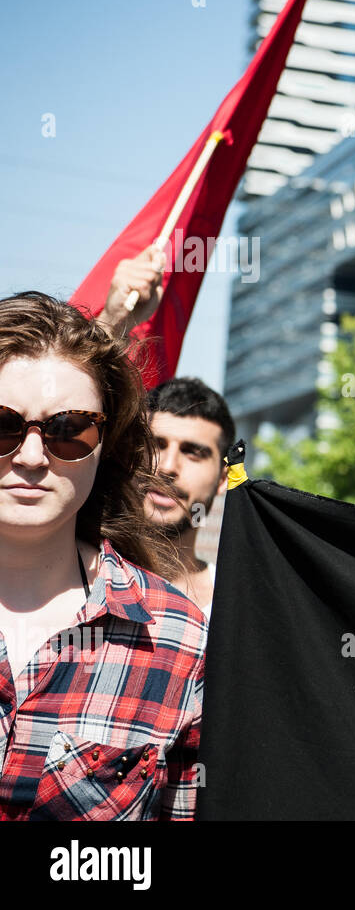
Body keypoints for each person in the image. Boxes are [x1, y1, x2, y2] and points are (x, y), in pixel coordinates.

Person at [0, 291, 205, 819]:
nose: (30, 455)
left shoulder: (180, 641)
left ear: (106, 445)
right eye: (2, 425)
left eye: (68, 431)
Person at [142, 377, 234, 618]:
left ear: (222, 480)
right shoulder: (75, 580)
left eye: (193, 453)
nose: (167, 467)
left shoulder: (240, 611)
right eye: (155, 445)